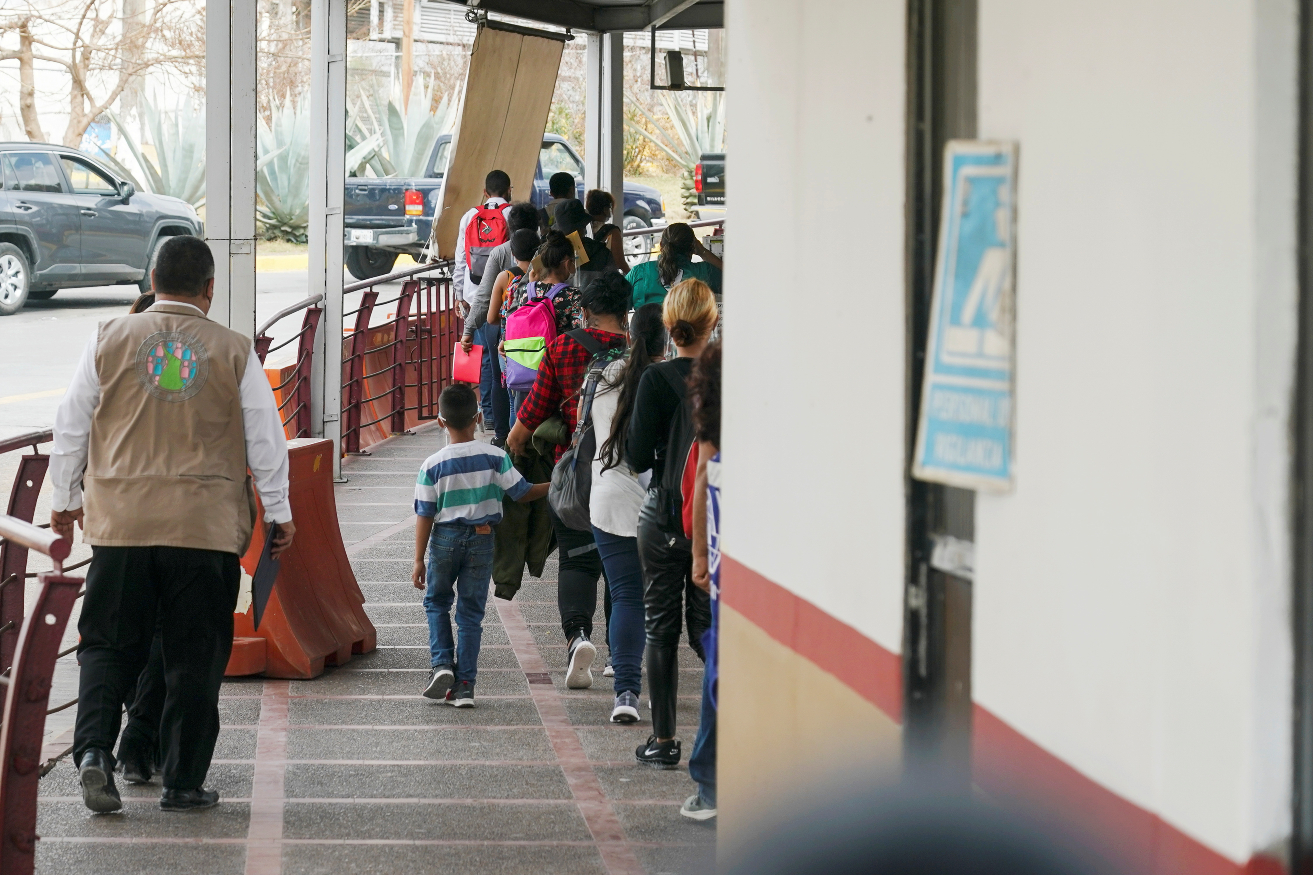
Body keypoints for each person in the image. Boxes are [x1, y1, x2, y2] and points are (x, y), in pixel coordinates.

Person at [49, 235, 295, 813]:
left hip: (121, 525)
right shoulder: (234, 350)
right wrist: (279, 513)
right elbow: (266, 439)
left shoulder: (107, 338)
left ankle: (93, 755)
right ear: (211, 288)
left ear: (150, 280)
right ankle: (183, 782)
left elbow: (71, 423)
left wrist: (64, 497)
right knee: (195, 655)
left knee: (108, 646)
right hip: (204, 530)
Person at [507, 271, 632, 690]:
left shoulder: (562, 348)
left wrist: (521, 449)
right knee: (622, 566)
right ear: (625, 312)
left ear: (585, 311)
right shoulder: (640, 356)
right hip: (625, 477)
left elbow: (526, 423)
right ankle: (619, 653)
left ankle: (578, 637)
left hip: (574, 477)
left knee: (577, 560)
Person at [626, 278, 718, 768]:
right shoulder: (727, 378)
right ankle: (730, 721)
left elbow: (636, 453)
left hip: (663, 517)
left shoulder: (655, 381)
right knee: (707, 627)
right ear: (713, 321)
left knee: (660, 628)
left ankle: (662, 742)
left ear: (668, 325)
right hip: (714, 521)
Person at [413, 383, 548, 706]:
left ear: (440, 422)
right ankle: (465, 687)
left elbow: (424, 514)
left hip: (444, 539)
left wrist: (419, 559)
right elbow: (522, 492)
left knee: (437, 603)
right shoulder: (495, 456)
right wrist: (555, 485)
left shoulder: (432, 465)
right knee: (471, 615)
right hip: (484, 538)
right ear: (478, 418)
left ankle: (442, 664)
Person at [591, 303, 666, 724]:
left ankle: (625, 693)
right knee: (660, 602)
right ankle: (661, 690)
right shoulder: (669, 380)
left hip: (609, 500)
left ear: (629, 335)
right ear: (666, 340)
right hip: (659, 502)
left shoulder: (605, 376)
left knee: (625, 596)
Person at [462, 202, 540, 443]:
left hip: (502, 331)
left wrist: (467, 331)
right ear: (537, 227)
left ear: (509, 226)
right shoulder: (545, 253)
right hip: (537, 330)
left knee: (500, 380)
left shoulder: (500, 253)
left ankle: (501, 434)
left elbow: (483, 297)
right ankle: (530, 432)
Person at [683, 341, 721, 820]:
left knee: (720, 664)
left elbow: (705, 476)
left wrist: (699, 555)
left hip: (728, 555)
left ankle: (709, 785)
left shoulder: (717, 415)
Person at [499, 231, 584, 417]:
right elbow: (580, 335)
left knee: (525, 424)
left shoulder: (525, 291)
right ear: (567, 263)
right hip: (557, 377)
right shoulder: (573, 296)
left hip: (527, 371)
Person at [452, 169, 513, 332]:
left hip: (475, 297)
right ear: (509, 190)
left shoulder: (469, 216)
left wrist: (459, 295)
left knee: (480, 350)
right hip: (506, 298)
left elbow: (461, 259)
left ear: (485, 192)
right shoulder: (512, 214)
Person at [627, 222, 723, 309]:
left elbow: (617, 301)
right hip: (689, 328)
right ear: (693, 247)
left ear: (661, 245)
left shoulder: (639, 272)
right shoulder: (705, 272)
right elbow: (734, 279)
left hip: (644, 327)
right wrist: (703, 252)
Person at [585, 189, 629, 274]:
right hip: (605, 280)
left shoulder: (582, 229)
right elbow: (620, 262)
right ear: (605, 209)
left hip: (584, 279)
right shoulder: (612, 231)